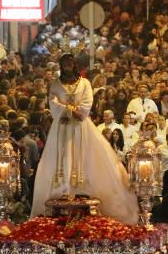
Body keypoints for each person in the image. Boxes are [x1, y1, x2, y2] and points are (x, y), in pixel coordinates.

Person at [31, 54, 139, 224]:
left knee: (85, 155)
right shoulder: (55, 84)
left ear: (74, 65)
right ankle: (65, 189)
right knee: (63, 155)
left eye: (70, 63)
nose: (67, 65)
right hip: (63, 127)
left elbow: (88, 102)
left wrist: (73, 111)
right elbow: (52, 103)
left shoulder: (85, 83)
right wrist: (67, 111)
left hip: (81, 125)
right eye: (64, 63)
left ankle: (82, 188)